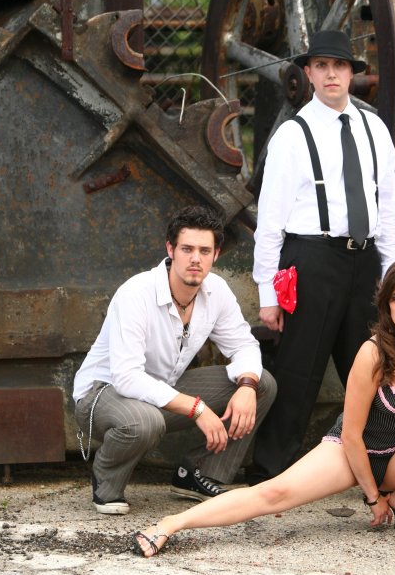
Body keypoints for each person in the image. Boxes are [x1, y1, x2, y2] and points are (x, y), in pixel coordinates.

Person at [131, 256, 395, 556]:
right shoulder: (373, 352)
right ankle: (171, 524)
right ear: (386, 303)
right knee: (274, 493)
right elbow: (352, 436)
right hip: (353, 452)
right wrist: (371, 497)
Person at [249, 29, 395, 485]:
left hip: (366, 261)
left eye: (339, 66)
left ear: (352, 73)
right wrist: (267, 293)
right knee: (298, 371)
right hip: (312, 258)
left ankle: (378, 470)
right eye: (321, 66)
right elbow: (270, 219)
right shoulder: (292, 135)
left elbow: (388, 208)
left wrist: (393, 276)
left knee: (372, 369)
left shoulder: (375, 129)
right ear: (309, 73)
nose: (331, 74)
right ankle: (270, 476)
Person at [72, 205, 276, 514]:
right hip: (102, 395)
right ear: (171, 250)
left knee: (261, 384)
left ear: (216, 254)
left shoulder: (216, 291)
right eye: (187, 249)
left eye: (204, 251)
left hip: (161, 389)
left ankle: (199, 474)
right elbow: (127, 377)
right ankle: (107, 481)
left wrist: (247, 386)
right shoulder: (136, 293)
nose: (196, 259)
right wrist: (197, 408)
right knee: (145, 421)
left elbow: (244, 345)